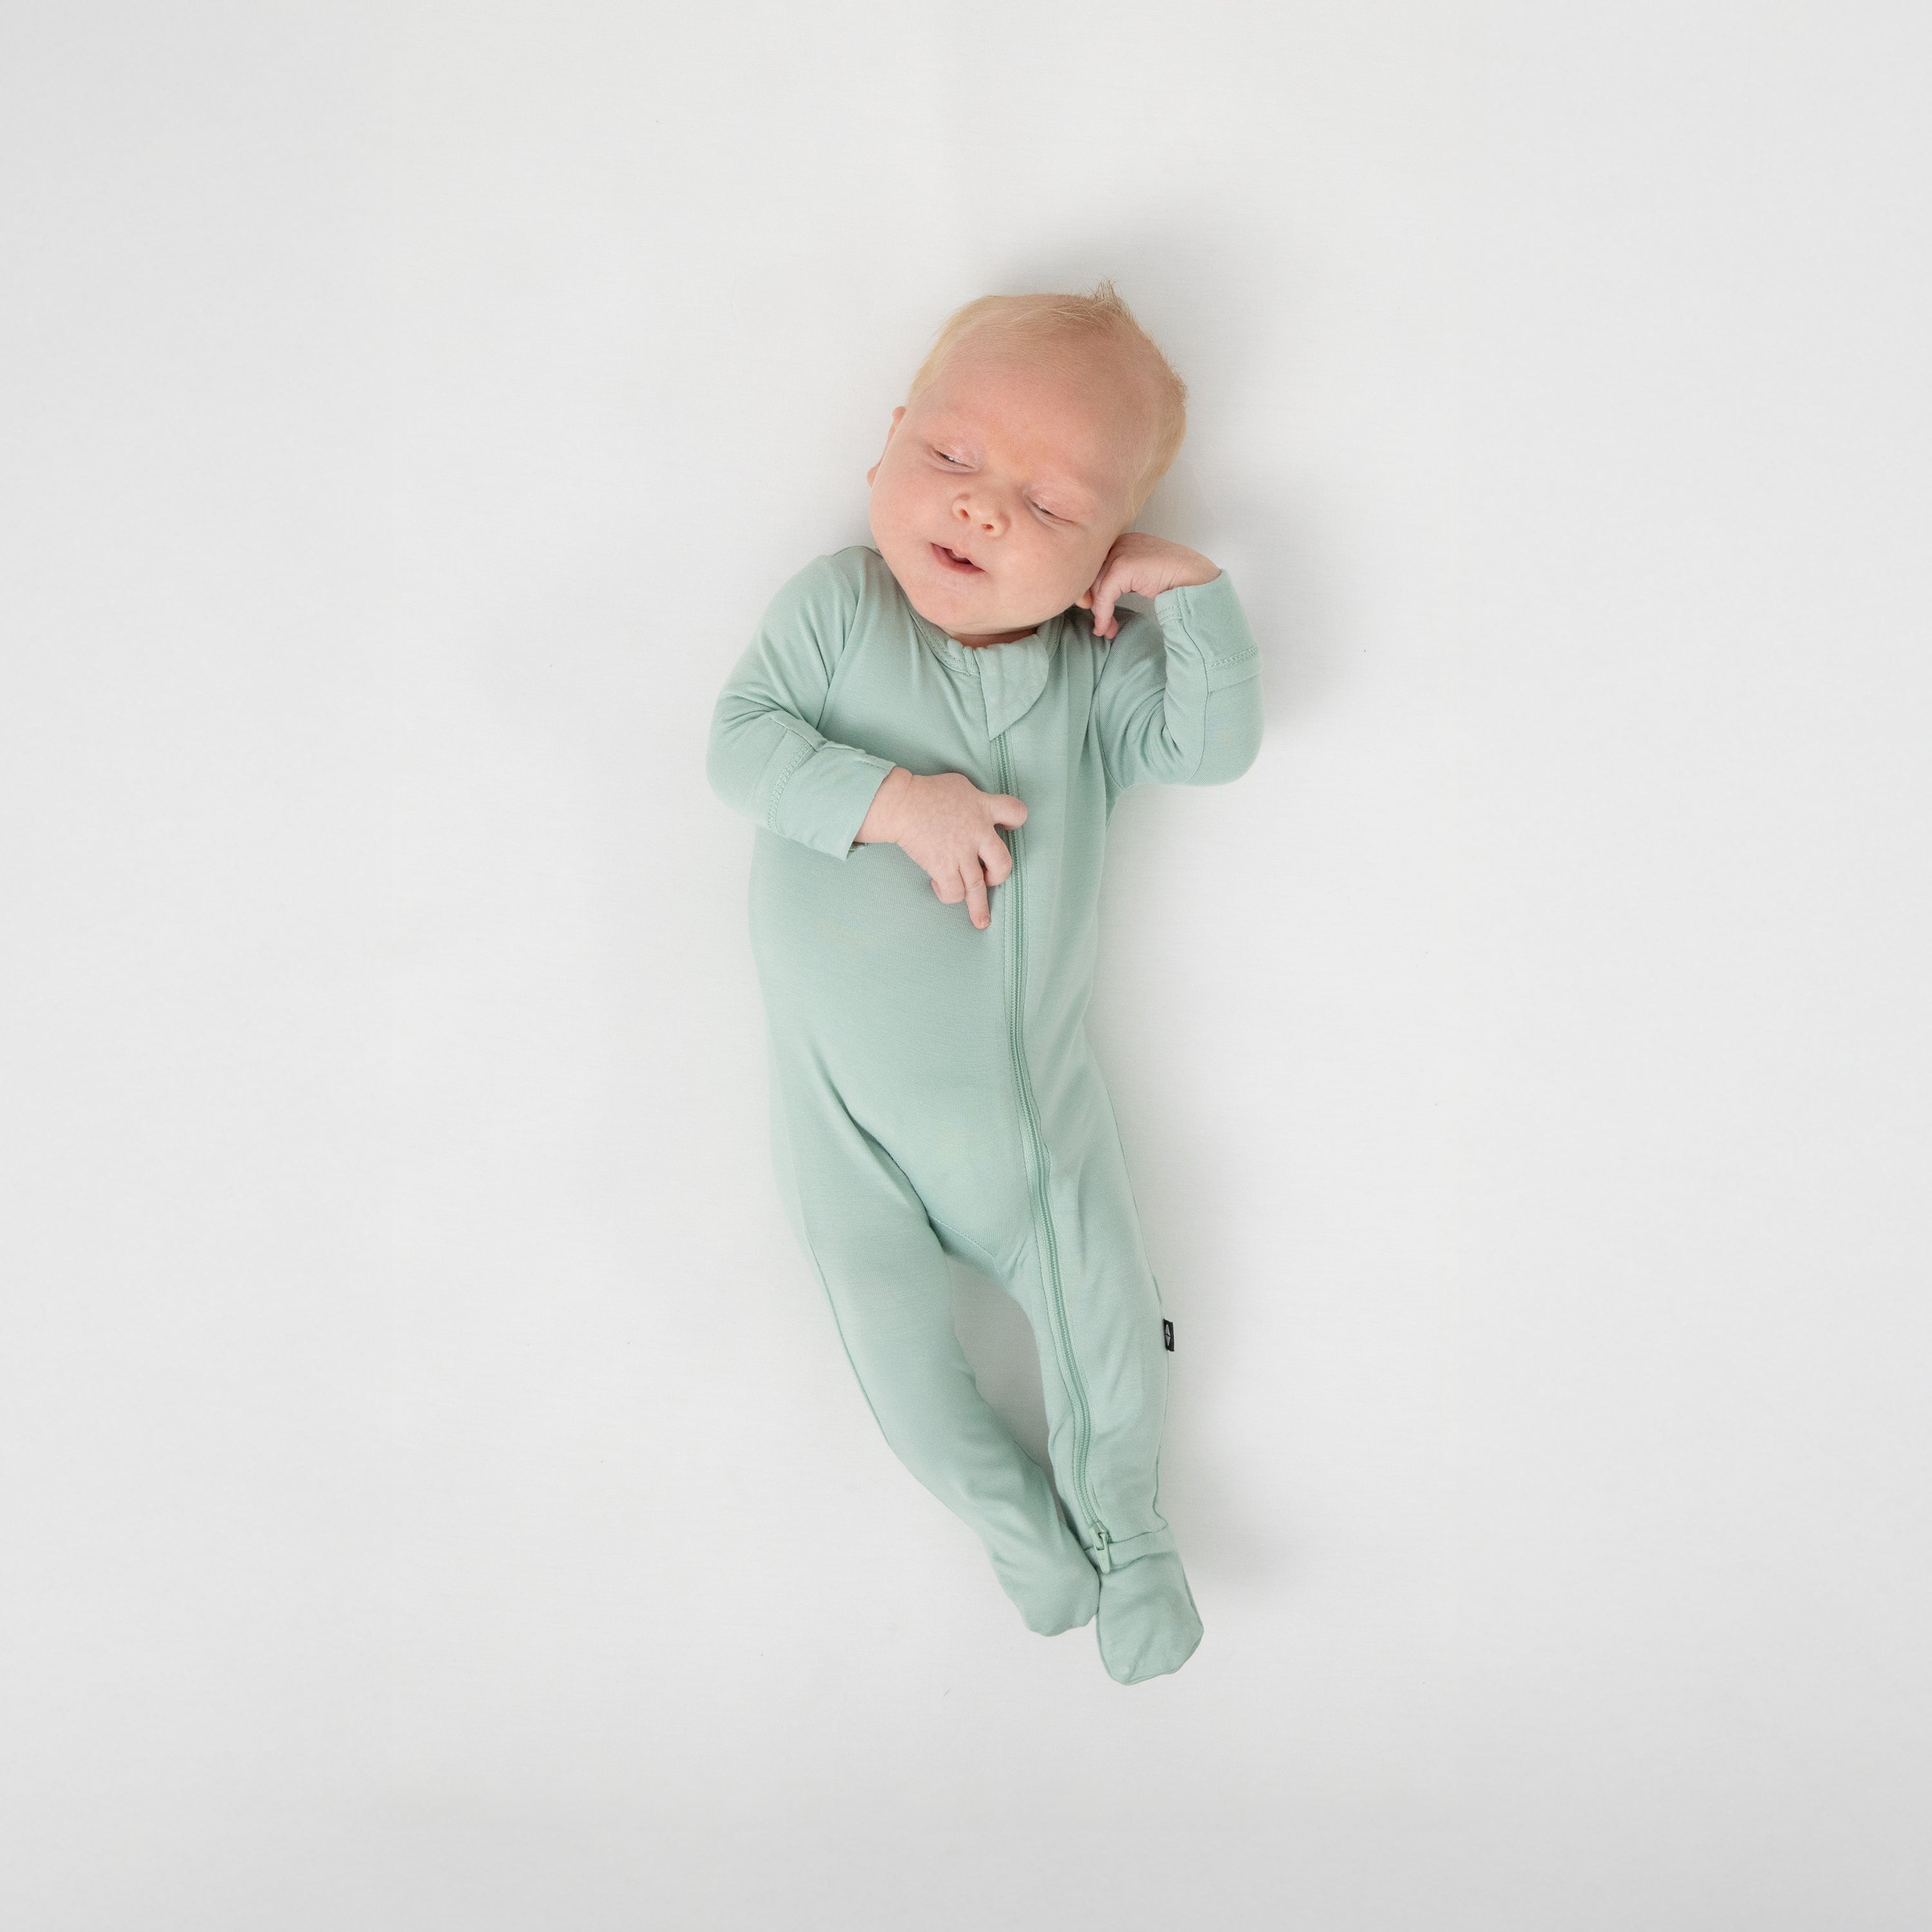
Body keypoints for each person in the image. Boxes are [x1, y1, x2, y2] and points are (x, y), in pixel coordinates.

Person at [705, 280, 1265, 1683]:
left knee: (1108, 1323)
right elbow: (740, 747)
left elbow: (1211, 749)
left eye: (1054, 505)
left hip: (1030, 1135)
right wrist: (895, 800)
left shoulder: (1090, 684)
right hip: (840, 1139)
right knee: (898, 1370)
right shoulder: (838, 613)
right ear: (888, 444)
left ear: (1100, 563)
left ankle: (1132, 1542)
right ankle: (1019, 1530)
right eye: (952, 459)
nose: (984, 510)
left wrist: (1194, 607)